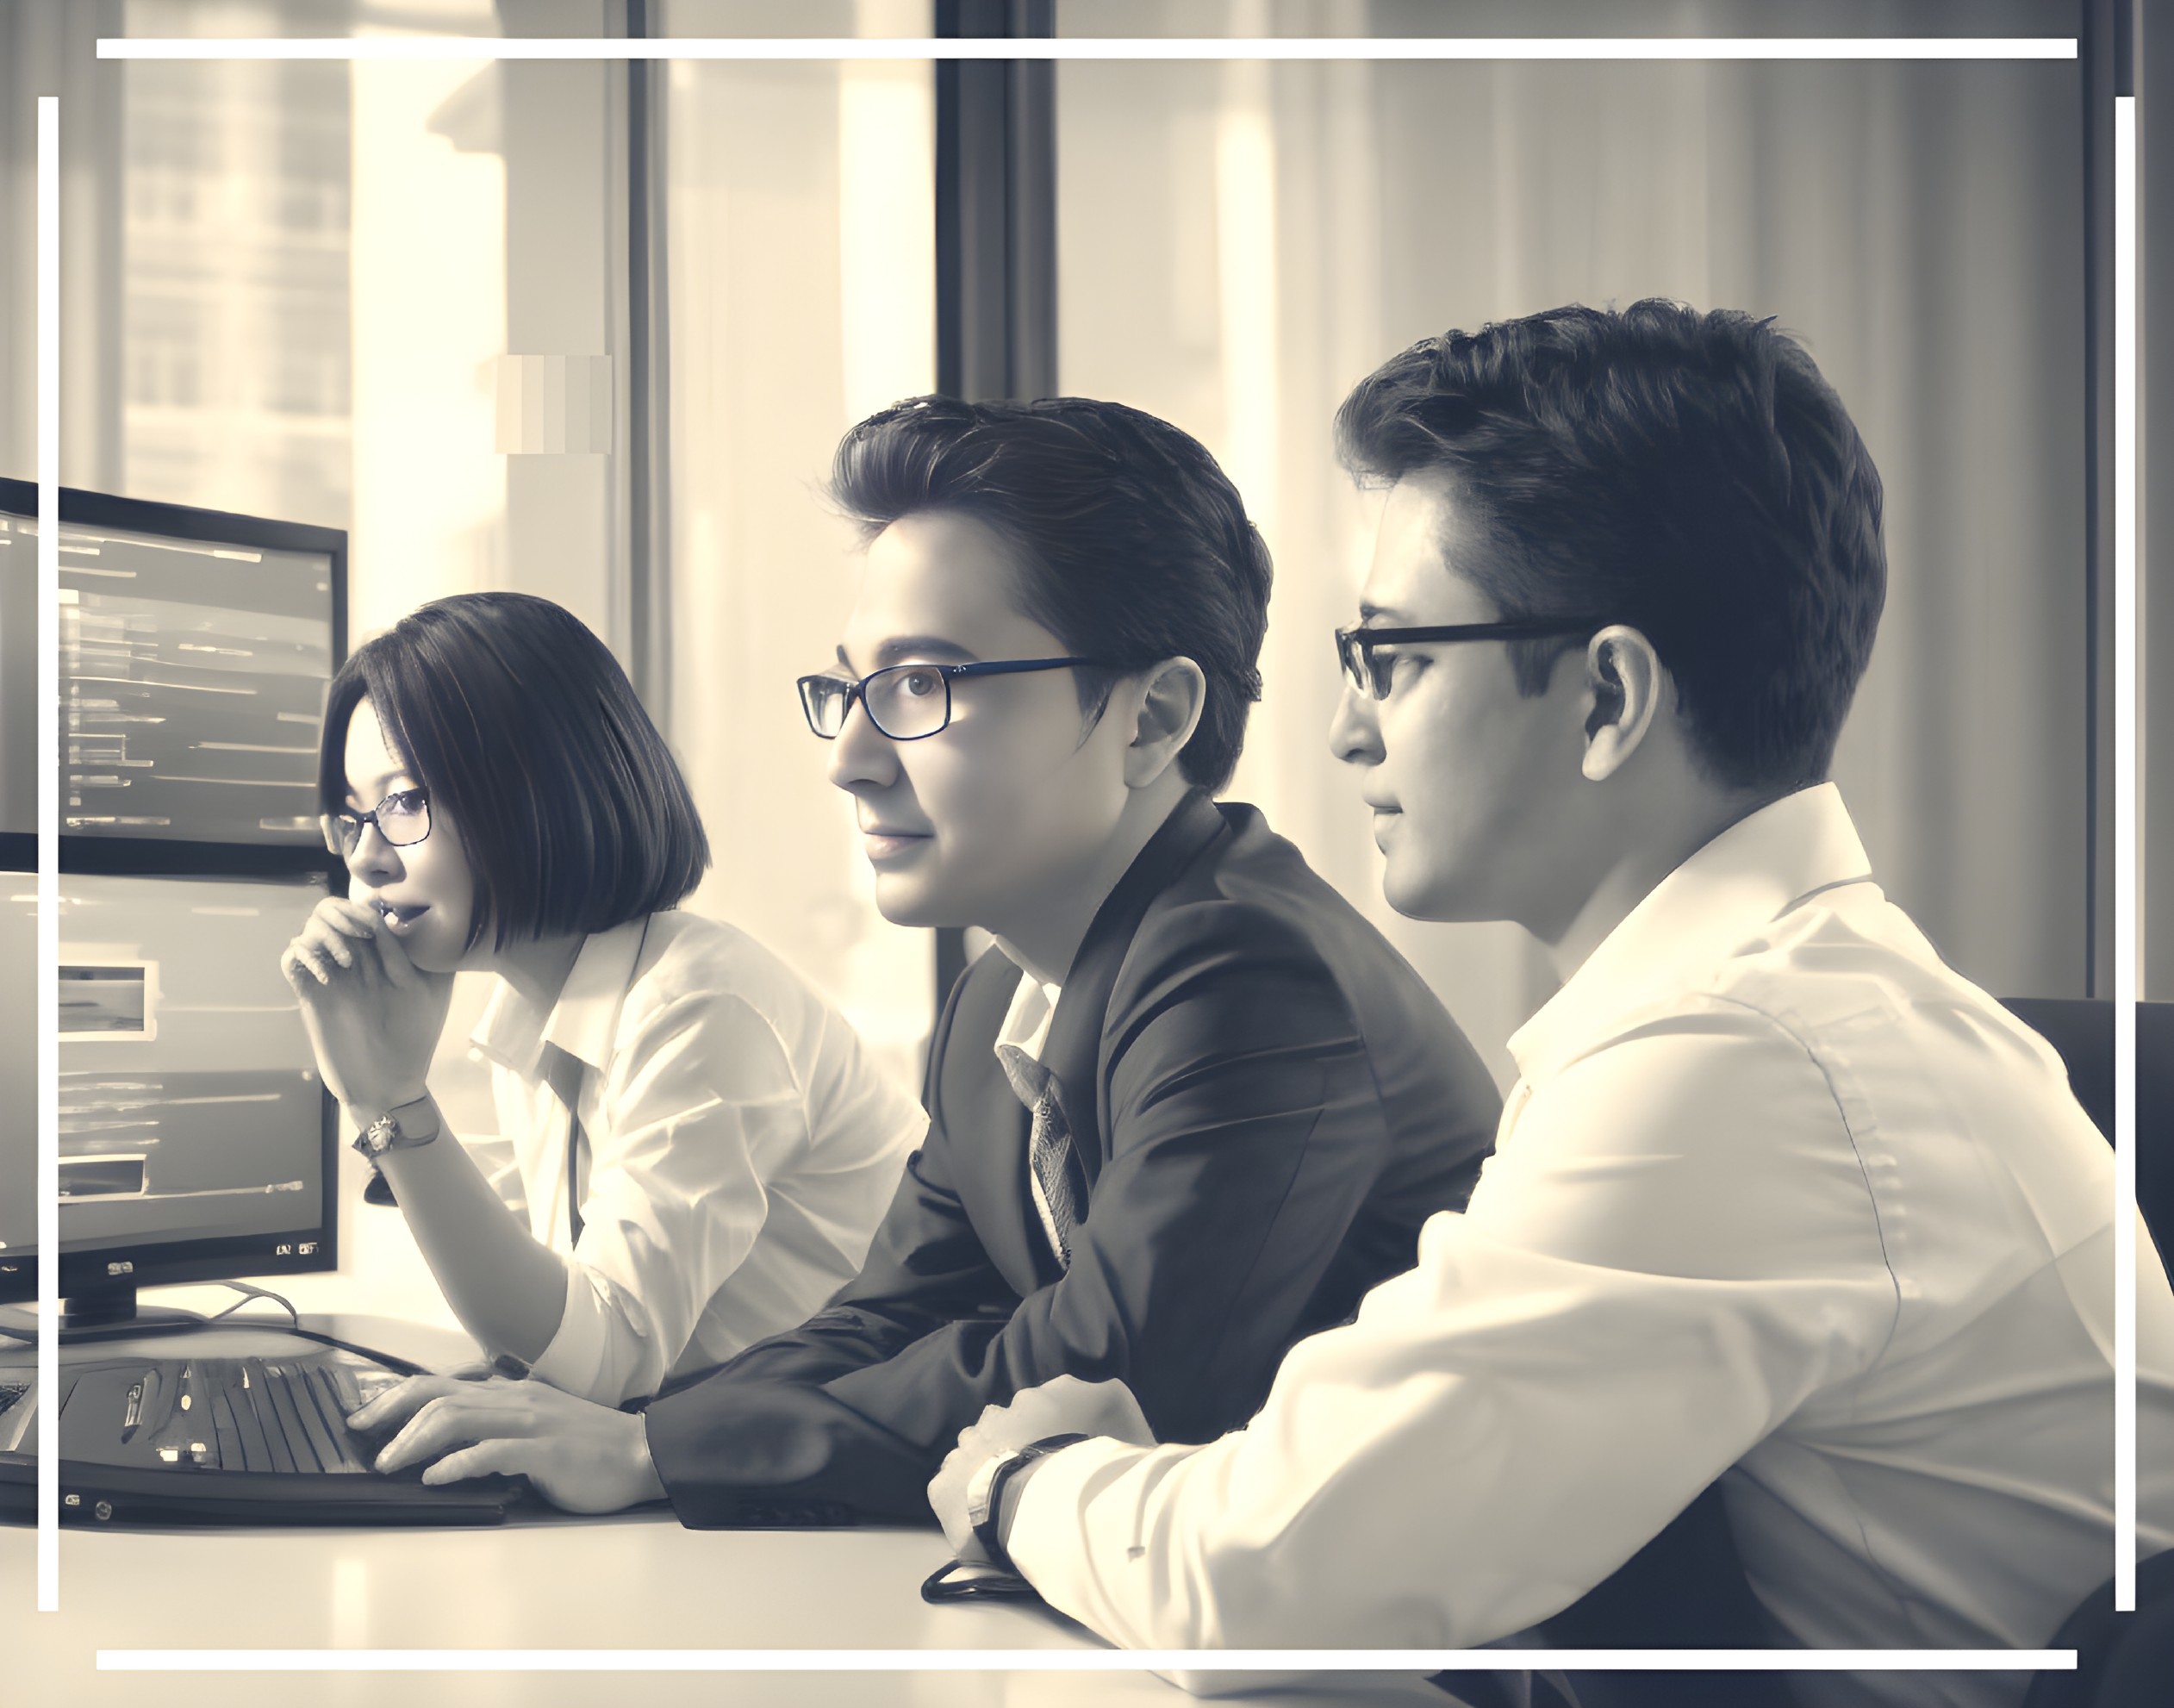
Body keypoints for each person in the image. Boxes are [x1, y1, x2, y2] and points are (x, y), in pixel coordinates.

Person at [928, 303, 2174, 1705]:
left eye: (1389, 657)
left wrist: (1029, 1477)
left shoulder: (1741, 1065)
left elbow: (1261, 1586)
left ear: (1604, 700)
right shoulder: (1790, 1011)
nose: (1347, 728)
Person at [349, 396, 1503, 1523]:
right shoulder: (1000, 995)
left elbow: (1106, 1373)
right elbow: (884, 1316)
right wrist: (631, 1437)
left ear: (1148, 719)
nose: (849, 757)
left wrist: (652, 1447)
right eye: (849, 688)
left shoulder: (1244, 969)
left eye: (918, 685)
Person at [282, 591, 925, 1407]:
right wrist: (376, 1086)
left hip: (883, 1493)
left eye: (405, 801)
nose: (367, 858)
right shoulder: (536, 1020)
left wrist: (389, 1098)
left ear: (532, 792)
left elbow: (597, 1362)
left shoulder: (701, 1005)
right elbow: (520, 1324)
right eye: (351, 817)